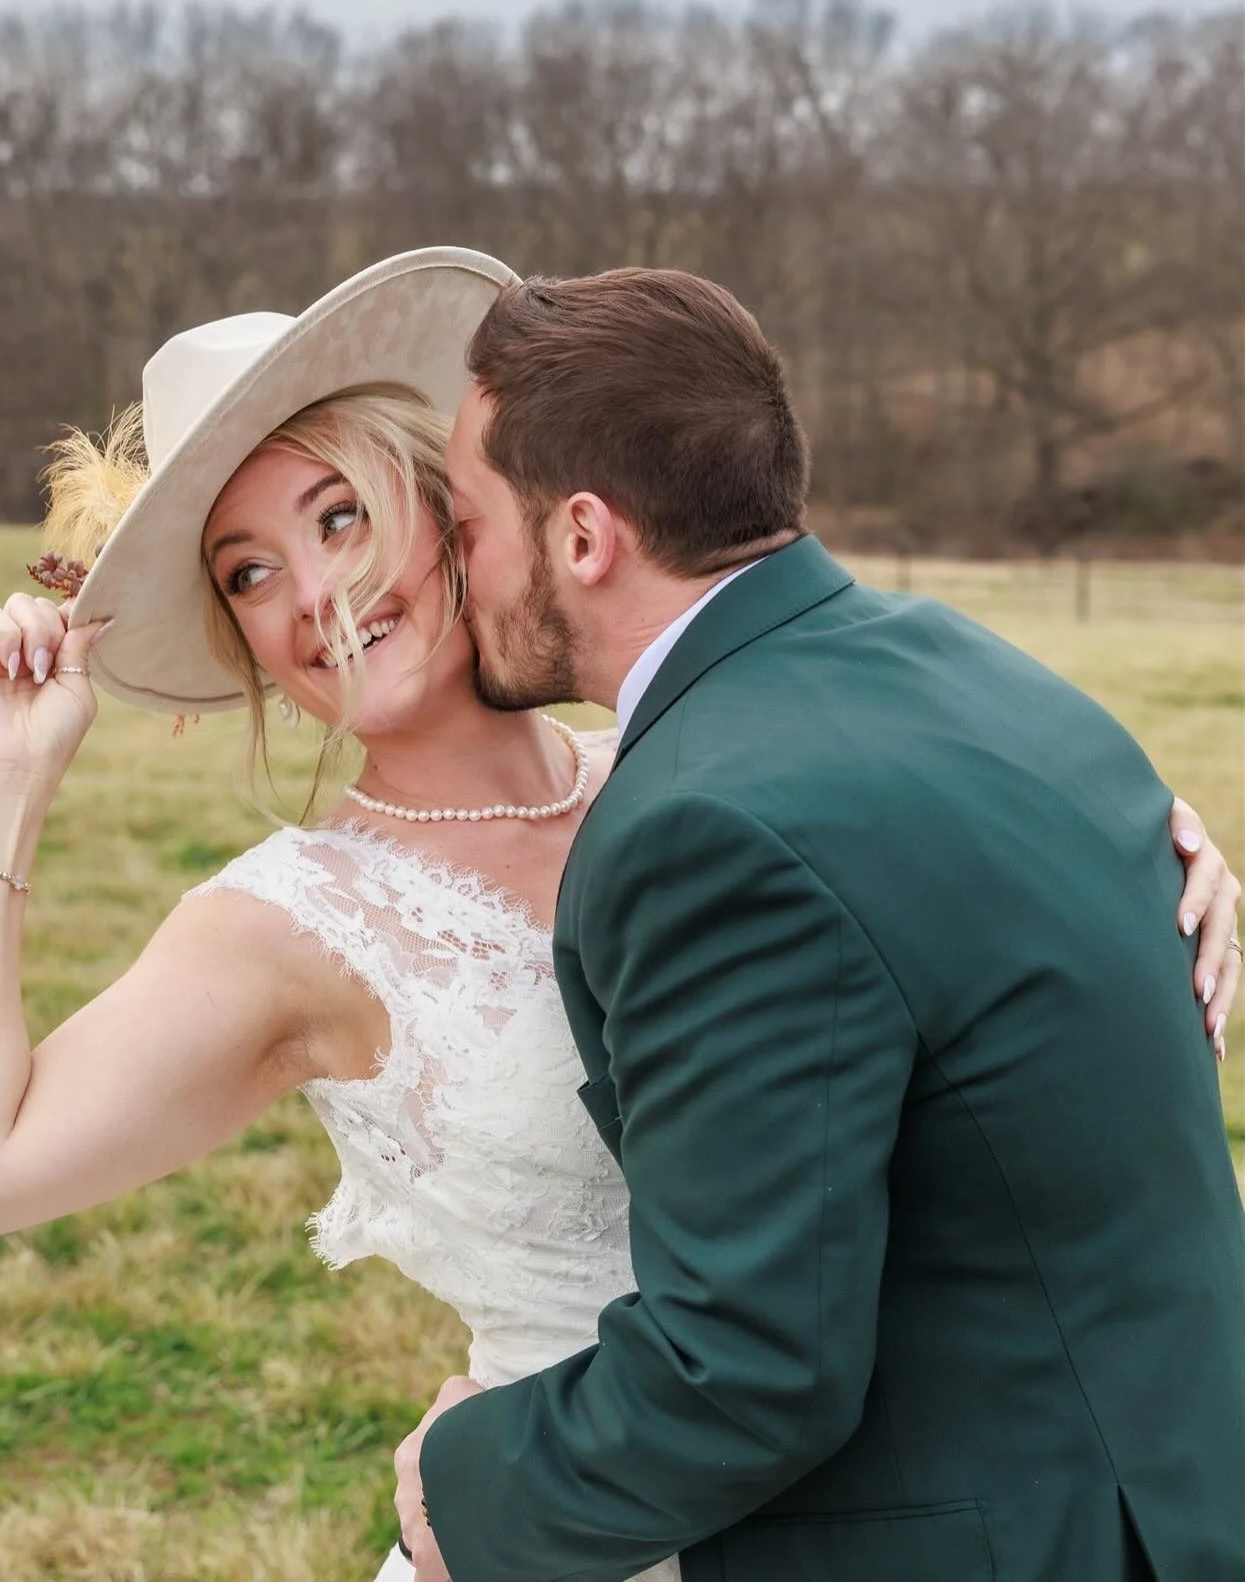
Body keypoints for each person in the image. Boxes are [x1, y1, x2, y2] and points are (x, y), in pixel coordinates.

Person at [0, 250, 1235, 1582]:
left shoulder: (696, 783)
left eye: (340, 516)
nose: (315, 596)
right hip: (558, 1523)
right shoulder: (291, 923)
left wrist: (1159, 861)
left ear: (462, 518)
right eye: (248, 572)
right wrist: (2, 781)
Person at [385, 265, 1245, 1582]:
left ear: (583, 537)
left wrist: (468, 1493)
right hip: (1171, 1482)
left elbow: (750, 1367)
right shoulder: (972, 667)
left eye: (468, 520)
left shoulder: (701, 828)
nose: (454, 564)